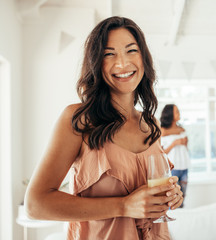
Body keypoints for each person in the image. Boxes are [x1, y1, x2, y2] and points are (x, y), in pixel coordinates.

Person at [24, 16, 183, 240]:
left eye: (131, 51)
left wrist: (171, 196)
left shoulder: (152, 124)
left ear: (143, 58)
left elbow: (153, 191)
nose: (122, 63)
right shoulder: (78, 119)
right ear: (96, 63)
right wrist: (124, 206)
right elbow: (35, 205)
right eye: (110, 54)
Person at [160, 104, 190, 208]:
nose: (179, 113)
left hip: (184, 166)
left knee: (182, 198)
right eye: (177, 111)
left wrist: (185, 142)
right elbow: (161, 153)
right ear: (170, 114)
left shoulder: (181, 129)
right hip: (173, 168)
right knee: (172, 199)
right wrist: (174, 143)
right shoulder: (162, 131)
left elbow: (186, 147)